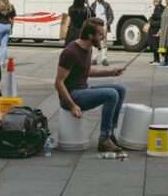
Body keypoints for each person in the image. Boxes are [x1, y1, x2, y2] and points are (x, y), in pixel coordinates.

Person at [54, 17, 126, 153]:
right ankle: (104, 140)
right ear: (90, 35)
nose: (103, 36)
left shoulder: (88, 48)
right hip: (71, 96)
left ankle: (109, 133)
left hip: (83, 90)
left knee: (120, 89)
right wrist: (72, 106)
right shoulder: (70, 52)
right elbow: (58, 82)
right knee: (111, 94)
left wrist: (111, 72)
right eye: (100, 34)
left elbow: (86, 71)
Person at [91, 0, 114, 66]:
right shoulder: (93, 5)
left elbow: (111, 16)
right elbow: (90, 16)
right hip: (95, 26)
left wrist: (107, 24)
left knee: (103, 43)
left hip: (103, 26)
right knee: (95, 43)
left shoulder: (106, 5)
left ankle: (104, 59)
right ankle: (94, 59)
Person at [146, 0, 163, 65]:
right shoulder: (159, 8)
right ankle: (156, 59)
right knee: (155, 45)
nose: (153, 2)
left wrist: (151, 21)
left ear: (158, 1)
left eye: (154, 1)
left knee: (155, 45)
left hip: (155, 29)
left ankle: (157, 60)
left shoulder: (159, 9)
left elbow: (159, 19)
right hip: (155, 28)